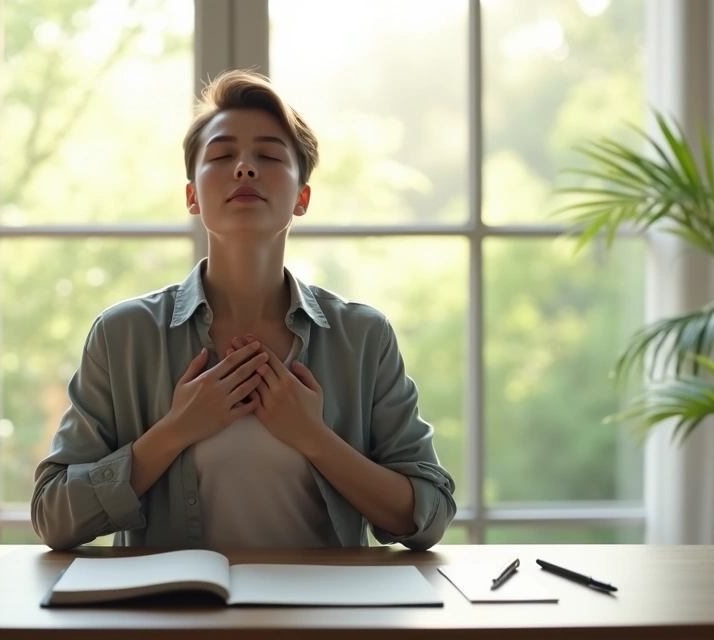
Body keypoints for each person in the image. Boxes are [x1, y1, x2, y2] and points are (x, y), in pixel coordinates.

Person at [31, 69, 456, 551]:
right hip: (174, 602)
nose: (245, 169)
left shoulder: (363, 337)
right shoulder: (123, 335)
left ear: (302, 198)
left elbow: (430, 513)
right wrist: (174, 431)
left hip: (325, 603)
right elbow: (52, 517)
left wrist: (313, 437)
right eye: (222, 155)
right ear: (192, 195)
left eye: (269, 156)